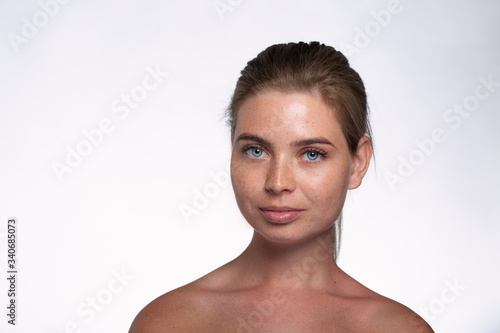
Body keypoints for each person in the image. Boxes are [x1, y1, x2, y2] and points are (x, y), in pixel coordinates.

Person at [129, 41, 434, 332]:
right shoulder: (167, 323)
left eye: (312, 154)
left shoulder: (396, 328)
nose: (277, 183)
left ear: (358, 163)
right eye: (256, 151)